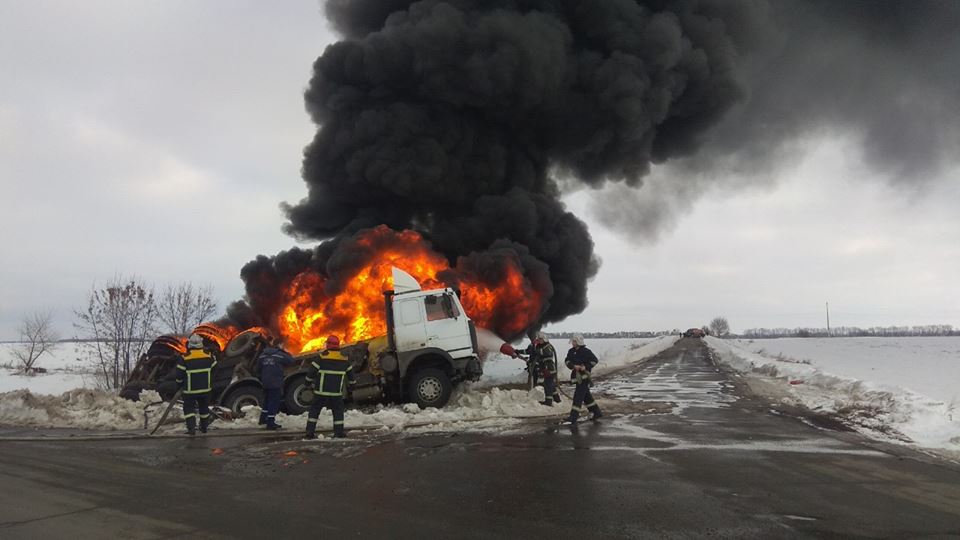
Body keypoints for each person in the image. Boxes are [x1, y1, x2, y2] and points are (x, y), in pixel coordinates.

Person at [304, 335, 355, 439]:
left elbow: (311, 372)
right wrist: (352, 386)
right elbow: (351, 375)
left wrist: (307, 383)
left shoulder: (322, 357)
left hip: (321, 392)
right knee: (338, 412)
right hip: (336, 393)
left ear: (328, 344)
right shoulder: (344, 359)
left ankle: (309, 433)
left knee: (314, 410)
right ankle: (339, 433)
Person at [176, 333, 217, 435]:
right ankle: (203, 428)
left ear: (189, 345)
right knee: (204, 408)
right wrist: (210, 380)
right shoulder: (208, 356)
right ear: (201, 344)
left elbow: (179, 375)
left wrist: (179, 385)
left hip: (190, 390)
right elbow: (215, 369)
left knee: (189, 408)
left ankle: (191, 429)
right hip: (205, 389)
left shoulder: (185, 358)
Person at [256, 336, 296, 430]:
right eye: (282, 345)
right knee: (274, 401)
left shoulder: (262, 355)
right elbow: (291, 360)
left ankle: (263, 419)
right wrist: (283, 351)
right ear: (279, 345)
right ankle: (270, 423)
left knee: (267, 400)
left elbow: (257, 368)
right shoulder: (279, 355)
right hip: (275, 382)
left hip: (265, 382)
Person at [562, 334, 602, 424]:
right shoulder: (571, 351)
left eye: (574, 341)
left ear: (579, 342)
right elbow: (567, 361)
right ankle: (597, 412)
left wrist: (585, 367)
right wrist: (573, 366)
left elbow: (594, 360)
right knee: (587, 397)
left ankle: (573, 417)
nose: (573, 343)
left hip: (584, 378)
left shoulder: (586, 351)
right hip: (576, 377)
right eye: (572, 341)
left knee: (578, 397)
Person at [527, 332, 561, 406]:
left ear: (545, 339)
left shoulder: (548, 346)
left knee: (548, 385)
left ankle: (548, 401)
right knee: (550, 384)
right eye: (538, 339)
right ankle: (557, 399)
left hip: (549, 369)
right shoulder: (540, 346)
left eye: (541, 339)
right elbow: (534, 352)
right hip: (545, 369)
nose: (539, 340)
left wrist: (536, 347)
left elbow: (544, 353)